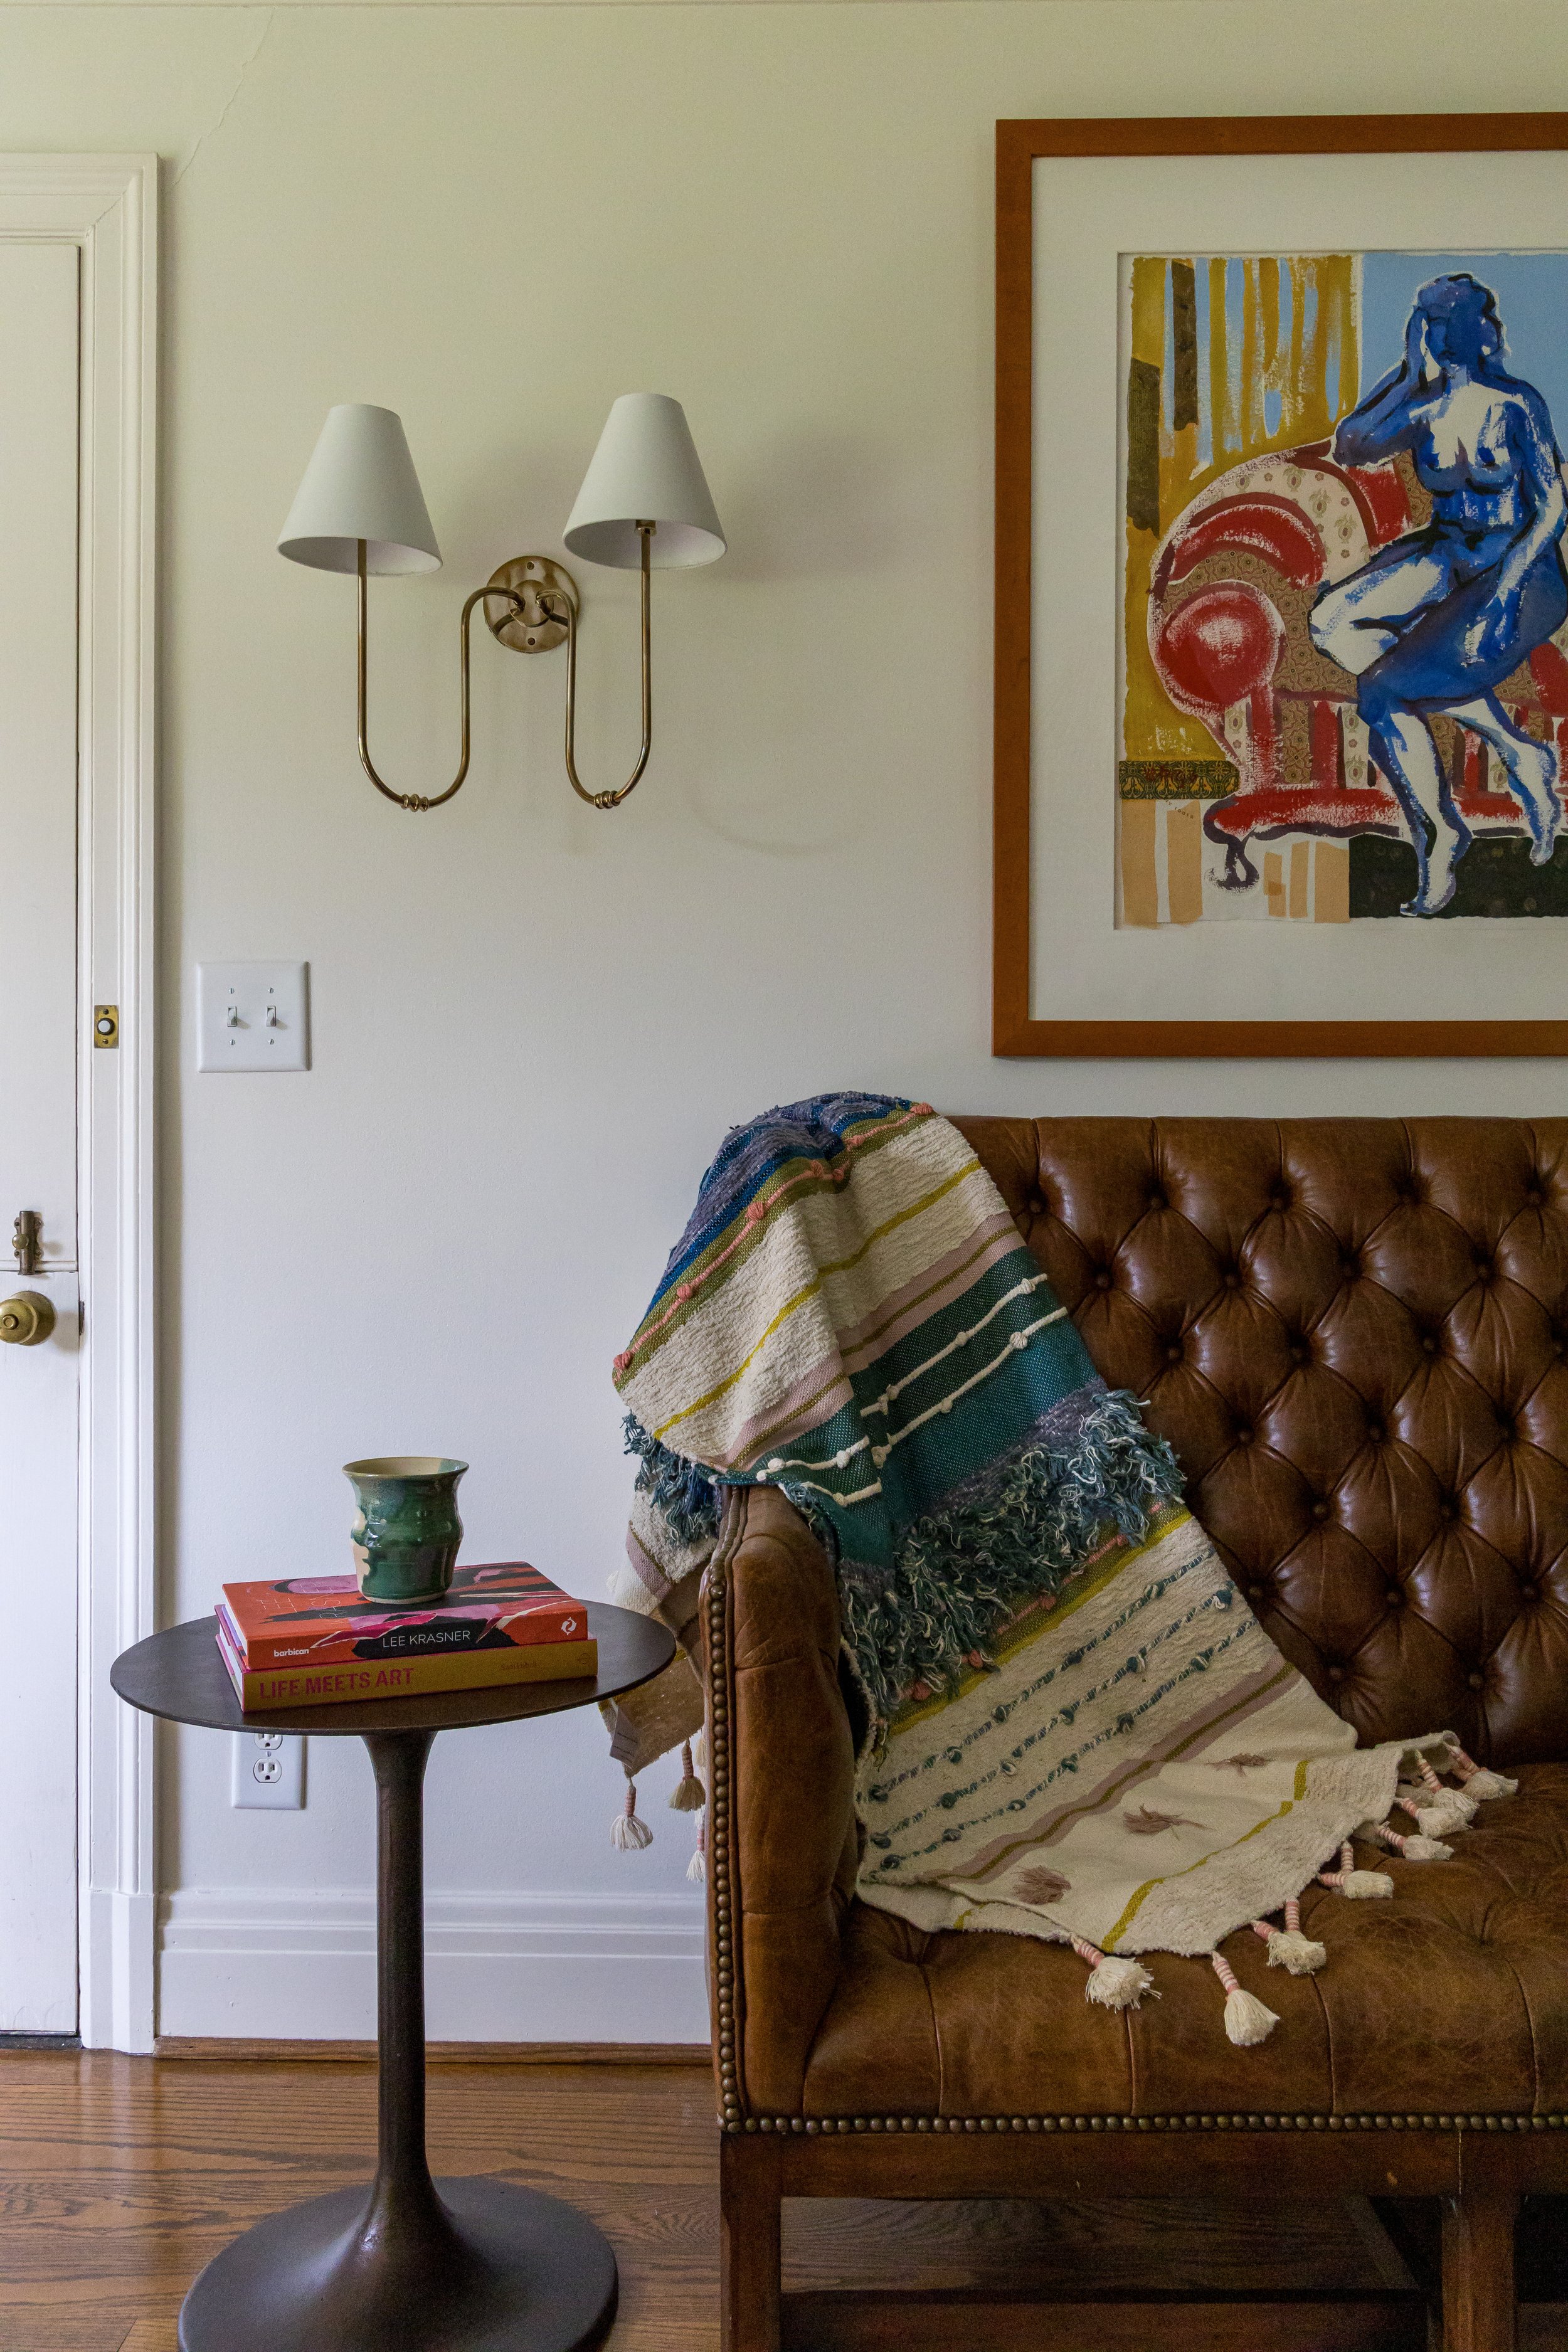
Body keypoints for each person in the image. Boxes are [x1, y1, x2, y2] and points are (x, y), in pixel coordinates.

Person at [1309, 272, 1567, 914]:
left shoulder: (1516, 403)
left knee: (1382, 692)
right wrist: (1405, 372)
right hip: (1449, 550)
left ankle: (1438, 834)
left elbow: (1553, 507)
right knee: (1331, 623)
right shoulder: (1422, 407)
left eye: (1462, 320)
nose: (1451, 333)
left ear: (1484, 331)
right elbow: (1350, 445)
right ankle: (1517, 749)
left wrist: (1508, 586)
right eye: (1436, 322)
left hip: (1522, 567)